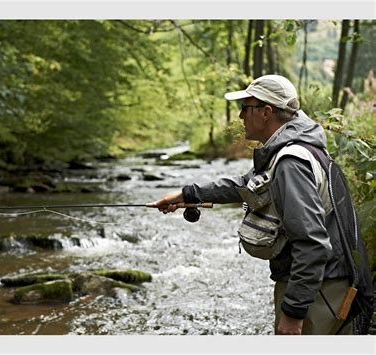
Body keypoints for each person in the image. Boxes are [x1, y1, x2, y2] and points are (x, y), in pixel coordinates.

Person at [149, 75, 371, 335]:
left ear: (266, 112)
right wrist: (186, 194)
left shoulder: (291, 163)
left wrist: (293, 312)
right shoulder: (289, 151)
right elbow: (246, 184)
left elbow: (312, 243)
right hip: (322, 283)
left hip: (321, 289)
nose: (241, 116)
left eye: (246, 107)